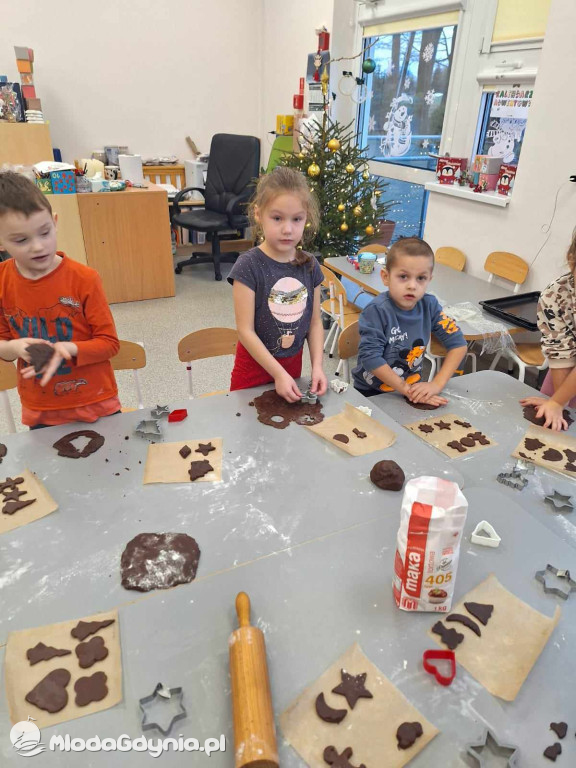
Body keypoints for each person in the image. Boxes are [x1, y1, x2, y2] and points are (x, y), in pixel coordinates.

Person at [0, 171, 120, 429]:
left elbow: (109, 344)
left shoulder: (84, 279)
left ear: (54, 222)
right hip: (41, 408)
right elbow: (2, 346)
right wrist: (16, 347)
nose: (38, 246)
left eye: (44, 232)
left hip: (95, 400)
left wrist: (68, 349)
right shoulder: (2, 281)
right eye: (21, 240)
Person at [228, 166, 327, 402]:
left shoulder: (310, 265)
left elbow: (314, 324)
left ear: (306, 219)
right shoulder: (248, 266)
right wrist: (278, 373)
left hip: (291, 372)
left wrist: (317, 367)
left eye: (297, 219)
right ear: (258, 214)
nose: (288, 229)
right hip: (251, 374)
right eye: (277, 218)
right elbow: (245, 331)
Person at [352, 237, 467, 405]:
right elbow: (371, 358)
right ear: (385, 276)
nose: (412, 285)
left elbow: (458, 345)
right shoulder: (377, 311)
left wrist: (436, 384)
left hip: (409, 389)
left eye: (421, 278)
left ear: (429, 280)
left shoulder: (430, 306)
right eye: (403, 276)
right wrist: (406, 389)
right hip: (371, 393)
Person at [520, 229, 576, 430]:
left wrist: (558, 402)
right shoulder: (555, 295)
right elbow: (560, 352)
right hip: (564, 374)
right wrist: (559, 403)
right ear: (572, 260)